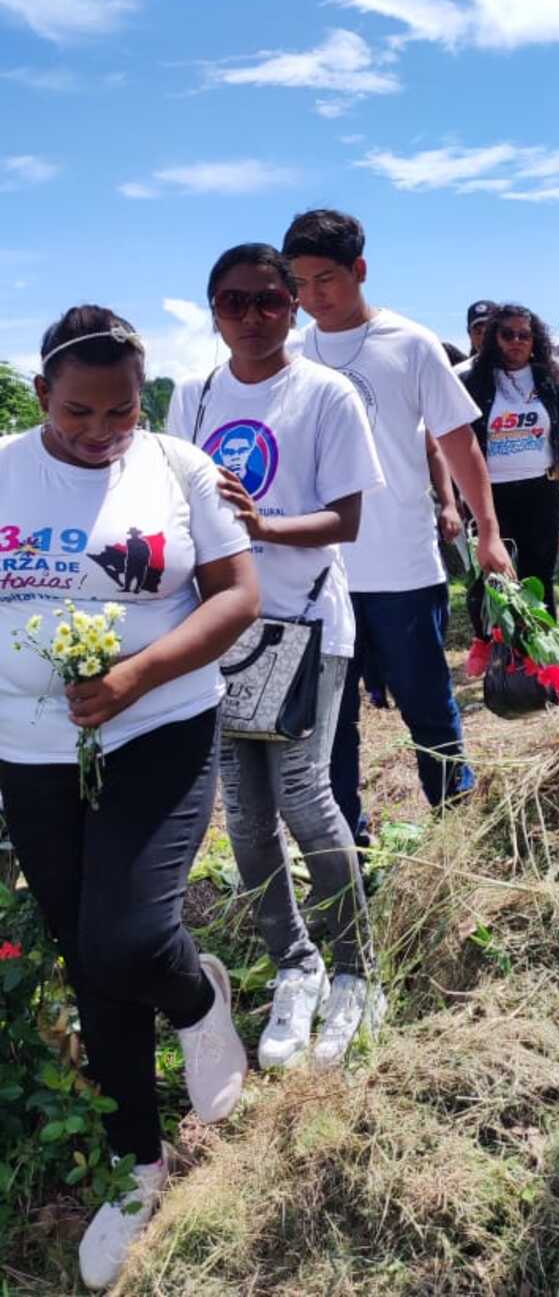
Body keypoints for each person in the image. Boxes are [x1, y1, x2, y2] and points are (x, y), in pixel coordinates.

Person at [0, 306, 259, 1291]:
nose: (101, 432)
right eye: (78, 412)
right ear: (41, 395)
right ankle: (135, 1166)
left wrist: (137, 675)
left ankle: (197, 998)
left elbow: (237, 596)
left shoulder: (179, 469)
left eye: (121, 412)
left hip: (159, 726)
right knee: (88, 958)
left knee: (128, 937)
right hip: (30, 749)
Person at [167, 244, 386, 1071]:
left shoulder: (325, 393)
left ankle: (357, 969)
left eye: (267, 300)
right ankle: (295, 963)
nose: (251, 316)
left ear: (292, 306)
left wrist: (260, 526)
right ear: (212, 310)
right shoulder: (192, 396)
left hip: (302, 623)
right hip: (222, 630)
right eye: (233, 302)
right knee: (246, 816)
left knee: (304, 796)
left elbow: (345, 521)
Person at [280, 209, 513, 847]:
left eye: (325, 279)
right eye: (300, 284)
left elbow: (459, 443)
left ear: (359, 269)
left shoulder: (410, 343)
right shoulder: (290, 354)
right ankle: (347, 849)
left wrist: (487, 532)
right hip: (319, 577)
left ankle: (456, 831)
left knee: (428, 707)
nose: (312, 297)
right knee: (331, 724)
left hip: (401, 568)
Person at [462, 303, 559, 618]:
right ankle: (497, 643)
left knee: (539, 574)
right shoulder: (475, 383)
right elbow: (459, 443)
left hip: (541, 491)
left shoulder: (551, 381)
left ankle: (543, 642)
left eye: (524, 335)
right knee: (495, 577)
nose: (516, 341)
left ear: (534, 339)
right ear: (494, 338)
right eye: (507, 334)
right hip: (490, 494)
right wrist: (459, 495)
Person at [455, 301, 498, 375]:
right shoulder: (458, 374)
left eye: (489, 331)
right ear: (469, 334)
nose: (483, 338)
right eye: (478, 332)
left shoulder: (518, 369)